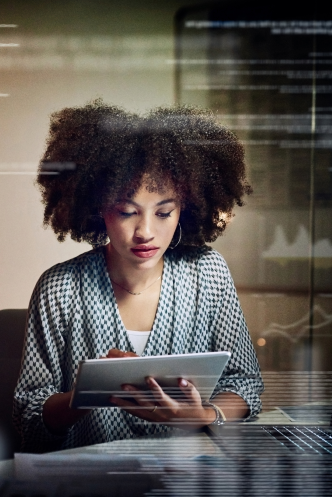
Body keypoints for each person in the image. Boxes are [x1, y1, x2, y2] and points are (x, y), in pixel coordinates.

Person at [13, 100, 264, 453]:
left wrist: (205, 415)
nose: (145, 231)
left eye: (164, 212)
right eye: (127, 211)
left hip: (185, 483)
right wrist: (87, 393)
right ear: (99, 210)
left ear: (185, 210)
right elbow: (29, 420)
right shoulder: (60, 288)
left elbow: (245, 384)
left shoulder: (208, 273)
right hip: (88, 489)